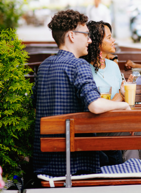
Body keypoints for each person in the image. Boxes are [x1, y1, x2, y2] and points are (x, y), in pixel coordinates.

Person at [32, 10, 130, 176]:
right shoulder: (79, 65)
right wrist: (124, 104)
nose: (90, 40)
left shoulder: (44, 66)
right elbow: (96, 105)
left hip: (44, 161)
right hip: (76, 163)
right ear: (71, 36)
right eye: (86, 35)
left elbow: (35, 104)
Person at [82, 21, 141, 164]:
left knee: (138, 127)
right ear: (97, 42)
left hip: (118, 119)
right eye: (109, 37)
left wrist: (125, 91)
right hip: (97, 124)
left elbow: (122, 96)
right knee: (131, 131)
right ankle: (136, 172)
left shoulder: (113, 66)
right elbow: (97, 105)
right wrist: (119, 96)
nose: (113, 40)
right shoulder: (84, 69)